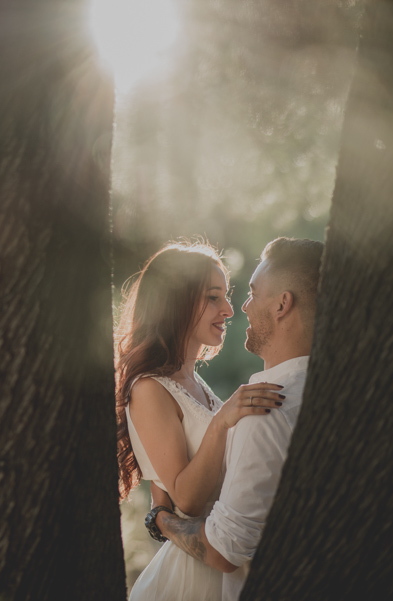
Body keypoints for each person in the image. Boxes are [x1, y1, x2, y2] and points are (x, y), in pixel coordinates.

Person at [148, 237, 324, 601]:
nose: (238, 307)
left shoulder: (265, 410)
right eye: (216, 297)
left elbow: (222, 551)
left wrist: (161, 520)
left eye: (251, 293)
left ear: (282, 305)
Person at [116, 240, 285, 601]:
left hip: (229, 559)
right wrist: (223, 421)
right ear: (175, 300)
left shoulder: (195, 383)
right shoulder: (149, 388)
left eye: (226, 296)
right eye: (213, 297)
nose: (227, 309)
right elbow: (188, 500)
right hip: (192, 579)